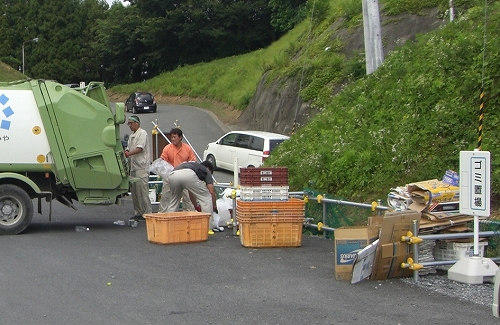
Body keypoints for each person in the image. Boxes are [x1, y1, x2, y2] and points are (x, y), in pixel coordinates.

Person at [167, 161, 220, 231]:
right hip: (188, 174)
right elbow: (211, 192)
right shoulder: (206, 170)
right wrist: (214, 207)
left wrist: (196, 206)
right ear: (208, 168)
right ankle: (208, 227)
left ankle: (169, 226)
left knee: (174, 200)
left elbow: (191, 192)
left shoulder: (193, 166)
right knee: (206, 196)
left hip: (172, 175)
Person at [158, 128, 197, 212]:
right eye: (171, 137)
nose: (172, 139)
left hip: (184, 177)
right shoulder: (167, 148)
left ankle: (189, 214)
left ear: (180, 137)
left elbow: (193, 161)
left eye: (174, 137)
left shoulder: (187, 148)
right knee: (165, 197)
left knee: (187, 199)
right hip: (170, 177)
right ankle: (162, 214)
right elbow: (162, 161)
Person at [125, 115, 152, 221]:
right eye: (129, 123)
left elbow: (139, 148)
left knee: (143, 191)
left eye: (131, 123)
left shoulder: (142, 133)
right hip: (133, 166)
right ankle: (138, 212)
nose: (130, 125)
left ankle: (147, 213)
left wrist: (129, 154)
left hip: (141, 167)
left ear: (137, 123)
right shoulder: (131, 136)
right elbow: (128, 149)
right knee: (135, 192)